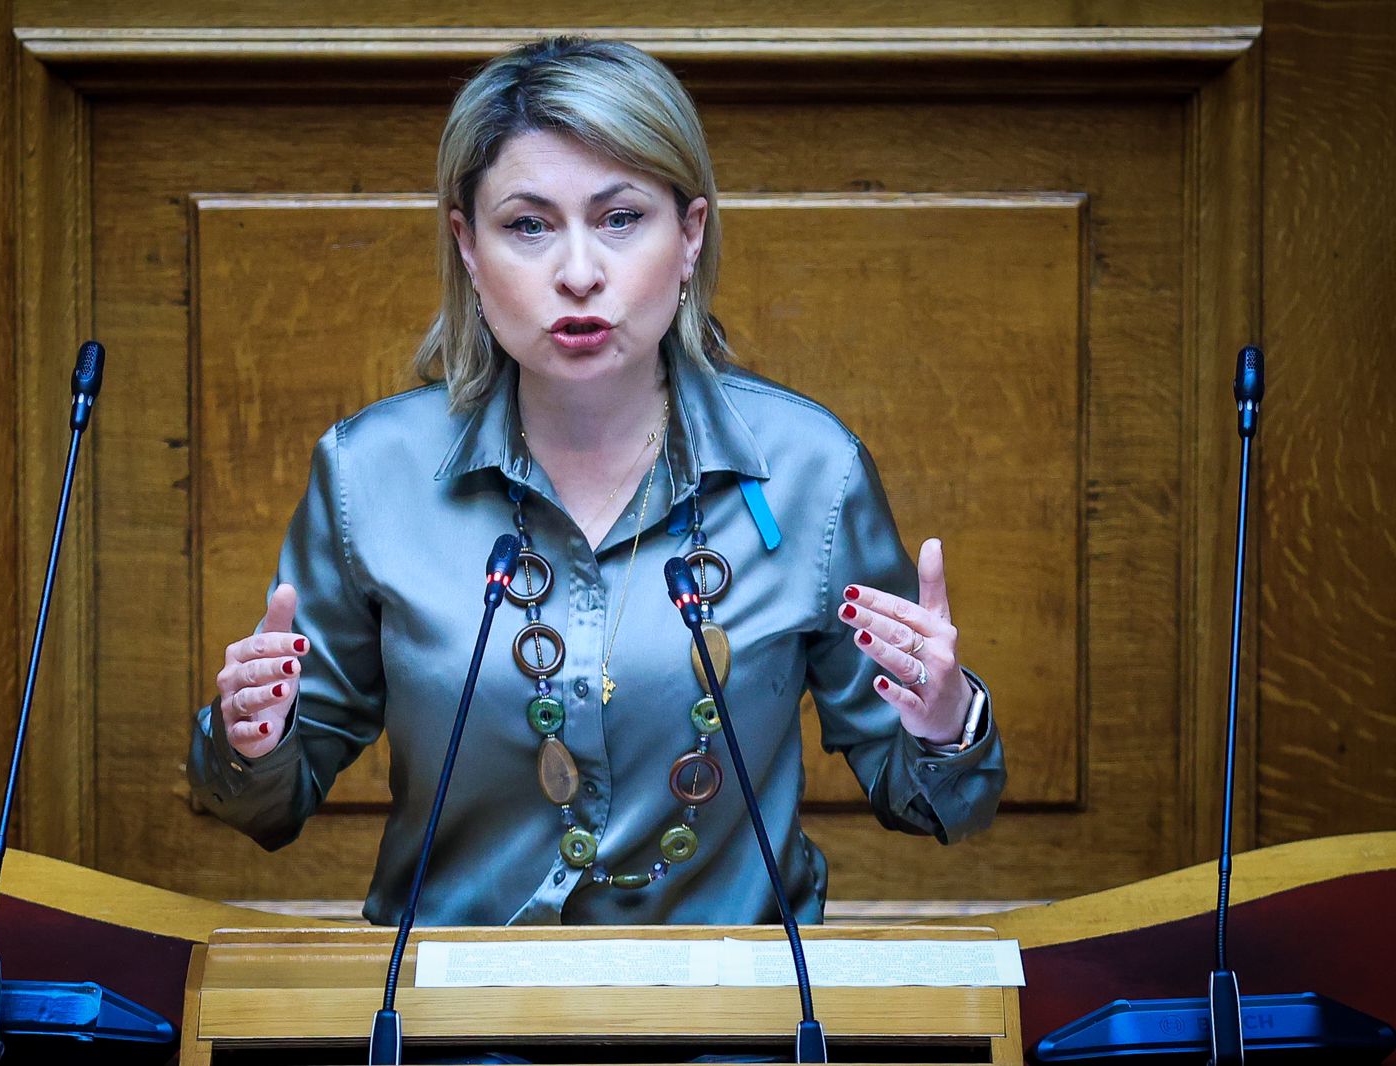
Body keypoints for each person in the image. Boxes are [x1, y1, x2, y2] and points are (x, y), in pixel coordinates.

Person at [188, 36, 1005, 926]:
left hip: (731, 999)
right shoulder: (369, 473)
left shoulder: (811, 470)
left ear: (689, 234)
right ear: (468, 246)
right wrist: (253, 738)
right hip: (450, 998)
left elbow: (935, 806)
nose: (578, 273)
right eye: (528, 226)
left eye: (620, 218)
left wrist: (945, 723)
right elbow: (262, 805)